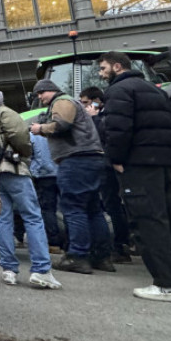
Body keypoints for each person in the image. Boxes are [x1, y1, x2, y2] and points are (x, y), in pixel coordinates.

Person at [98, 51, 171, 304]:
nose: (100, 73)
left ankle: (169, 285)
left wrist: (115, 159)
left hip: (137, 166)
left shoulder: (119, 92)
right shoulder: (156, 91)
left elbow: (117, 129)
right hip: (162, 165)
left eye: (103, 68)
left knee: (149, 223)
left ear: (118, 67)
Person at [0, 88, 61, 289]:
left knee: (3, 219)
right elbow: (20, 136)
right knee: (32, 216)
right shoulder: (3, 112)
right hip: (13, 169)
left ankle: (8, 270)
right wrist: (26, 153)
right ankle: (41, 270)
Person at [29, 79, 113, 274]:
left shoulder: (61, 101)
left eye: (41, 93)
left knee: (74, 208)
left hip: (76, 160)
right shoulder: (70, 103)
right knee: (93, 209)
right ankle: (102, 257)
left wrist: (39, 129)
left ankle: (77, 256)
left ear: (51, 90)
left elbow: (61, 125)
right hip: (91, 159)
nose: (40, 98)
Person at [79, 86, 132, 263]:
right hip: (112, 165)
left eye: (86, 103)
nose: (84, 107)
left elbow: (100, 138)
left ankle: (119, 245)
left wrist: (93, 119)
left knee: (111, 205)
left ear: (97, 101)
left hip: (107, 166)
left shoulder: (102, 118)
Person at [28, 125, 63, 254]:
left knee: (47, 209)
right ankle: (69, 243)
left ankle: (53, 242)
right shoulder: (61, 132)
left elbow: (33, 156)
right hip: (63, 172)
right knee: (69, 209)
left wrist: (34, 171)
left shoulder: (34, 136)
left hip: (44, 176)